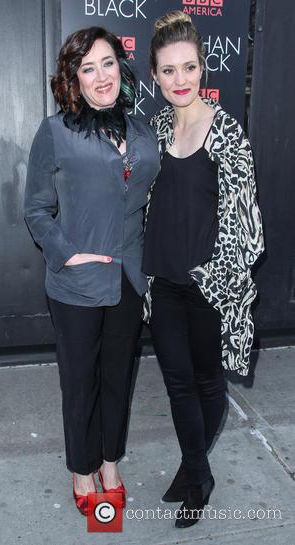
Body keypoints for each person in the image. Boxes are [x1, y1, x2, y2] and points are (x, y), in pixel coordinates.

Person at [24, 26, 160, 516]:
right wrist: (66, 253)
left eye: (107, 63)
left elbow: (152, 200)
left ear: (119, 68)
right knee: (80, 382)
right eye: (88, 67)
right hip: (76, 284)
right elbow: (36, 209)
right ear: (73, 78)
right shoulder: (55, 131)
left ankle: (109, 463)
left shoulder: (143, 131)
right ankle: (82, 470)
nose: (100, 76)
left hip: (129, 280)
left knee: (116, 379)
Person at [142, 11, 264, 528]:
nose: (180, 80)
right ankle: (198, 472)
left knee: (209, 384)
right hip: (163, 280)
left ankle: (193, 471)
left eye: (188, 67)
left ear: (203, 67)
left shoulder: (227, 131)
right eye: (168, 71)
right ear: (155, 76)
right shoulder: (153, 128)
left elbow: (247, 226)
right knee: (178, 385)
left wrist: (220, 280)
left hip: (210, 287)